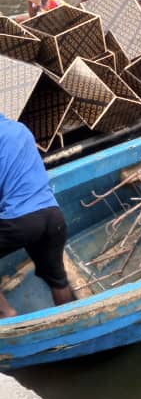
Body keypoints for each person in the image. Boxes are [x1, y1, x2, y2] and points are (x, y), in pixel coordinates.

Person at [0, 114, 75, 318]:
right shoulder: (20, 129)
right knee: (58, 280)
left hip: (22, 222)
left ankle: (7, 316)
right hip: (53, 217)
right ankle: (70, 322)